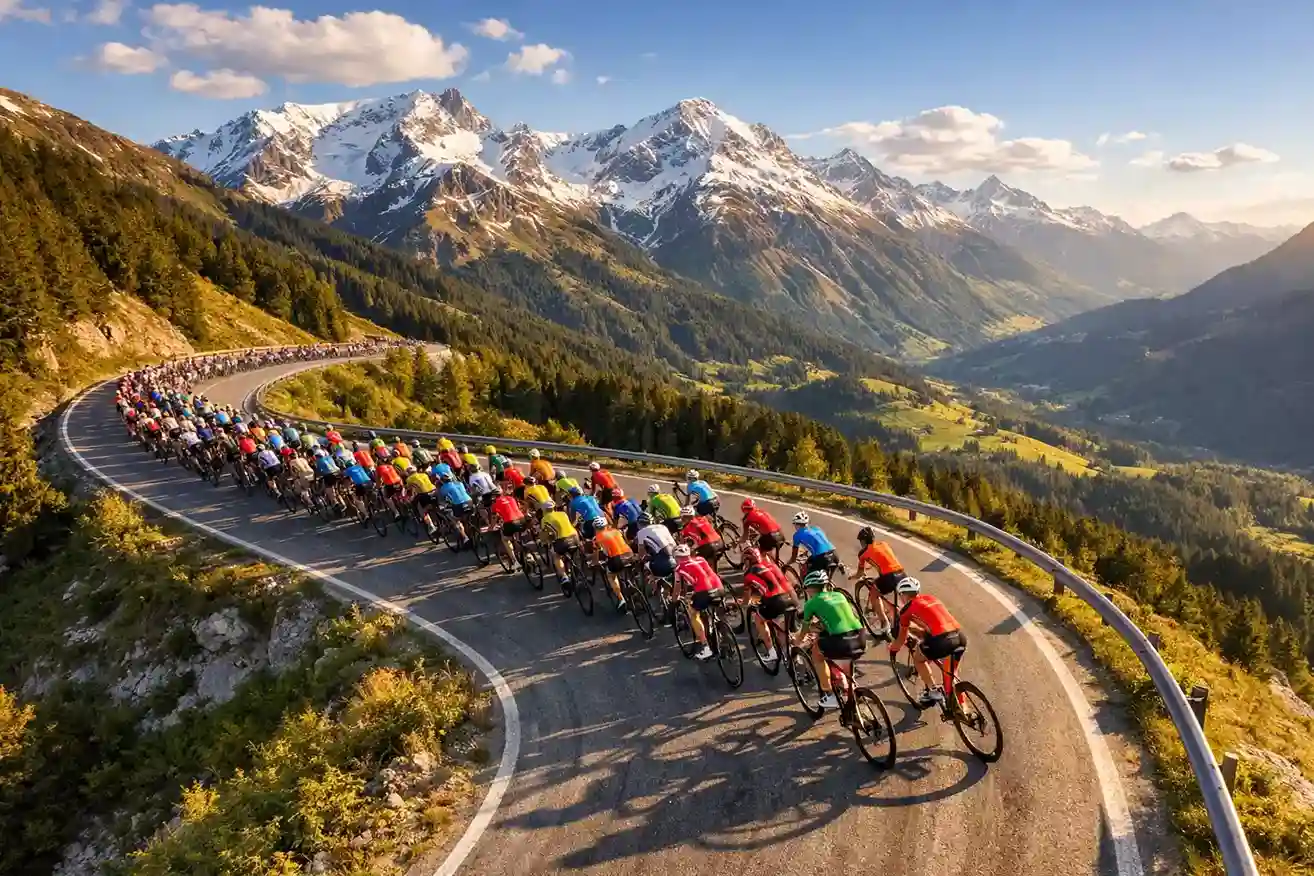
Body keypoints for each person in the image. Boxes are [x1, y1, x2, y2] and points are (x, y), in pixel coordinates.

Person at [793, 570, 866, 710]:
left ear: (809, 588)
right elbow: (836, 618)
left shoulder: (811, 603)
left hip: (840, 640)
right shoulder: (839, 595)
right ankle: (851, 692)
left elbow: (804, 631)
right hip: (860, 636)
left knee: (817, 654)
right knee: (846, 660)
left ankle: (830, 693)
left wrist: (796, 644)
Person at [889, 578, 965, 708]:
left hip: (942, 641)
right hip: (959, 636)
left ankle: (933, 690)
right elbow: (932, 622)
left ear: (903, 594)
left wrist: (893, 649)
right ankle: (962, 708)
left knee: (918, 658)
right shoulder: (931, 598)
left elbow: (901, 640)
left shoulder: (906, 610)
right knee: (951, 673)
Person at [740, 547, 796, 662]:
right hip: (787, 598)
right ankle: (791, 653)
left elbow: (747, 598)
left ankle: (771, 652)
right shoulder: (772, 566)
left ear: (747, 561)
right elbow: (786, 584)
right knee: (781, 626)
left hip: (773, 601)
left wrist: (744, 604)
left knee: (759, 619)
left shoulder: (748, 575)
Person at [850, 526, 907, 637]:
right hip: (902, 573)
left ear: (862, 541)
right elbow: (883, 559)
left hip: (888, 577)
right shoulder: (883, 544)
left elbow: (859, 574)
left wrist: (853, 577)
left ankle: (884, 623)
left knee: (874, 595)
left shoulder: (863, 553)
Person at [673, 544, 725, 661]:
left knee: (693, 613)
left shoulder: (678, 569)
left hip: (704, 593)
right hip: (719, 589)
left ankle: (705, 646)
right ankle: (721, 632)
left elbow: (677, 589)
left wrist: (674, 601)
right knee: (713, 606)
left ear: (677, 558)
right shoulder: (701, 559)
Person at [538, 499, 580, 593]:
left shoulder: (545, 519)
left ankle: (564, 576)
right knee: (573, 554)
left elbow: (545, 535)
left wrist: (543, 541)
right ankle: (576, 573)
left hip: (562, 541)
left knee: (557, 556)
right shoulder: (563, 514)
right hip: (574, 537)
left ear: (544, 510)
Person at [592, 518, 633, 610]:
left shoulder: (596, 538)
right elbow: (626, 542)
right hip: (629, 555)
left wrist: (595, 563)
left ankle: (620, 598)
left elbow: (596, 554)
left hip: (616, 559)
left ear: (595, 528)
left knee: (611, 576)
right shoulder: (616, 531)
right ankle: (633, 586)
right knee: (629, 568)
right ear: (606, 525)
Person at [786, 511, 840, 578]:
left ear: (797, 525)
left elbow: (793, 558)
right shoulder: (817, 528)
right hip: (835, 554)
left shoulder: (797, 535)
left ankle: (805, 587)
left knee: (807, 575)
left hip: (822, 558)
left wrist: (786, 564)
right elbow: (820, 543)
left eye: (794, 524)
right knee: (827, 579)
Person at [489, 488, 528, 566]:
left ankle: (515, 561)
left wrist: (491, 527)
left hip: (511, 523)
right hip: (522, 519)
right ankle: (522, 549)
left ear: (494, 496)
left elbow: (494, 517)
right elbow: (518, 507)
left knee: (505, 539)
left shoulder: (495, 503)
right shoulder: (511, 498)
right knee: (517, 534)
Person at [634, 513, 678, 579]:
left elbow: (641, 553)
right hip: (677, 557)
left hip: (664, 562)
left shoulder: (641, 532)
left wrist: (639, 558)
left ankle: (653, 582)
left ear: (639, 523)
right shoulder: (662, 526)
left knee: (647, 566)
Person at [437, 473, 475, 547]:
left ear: (442, 481)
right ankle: (474, 534)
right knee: (467, 517)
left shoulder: (443, 488)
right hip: (469, 501)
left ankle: (465, 538)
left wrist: (442, 507)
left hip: (459, 505)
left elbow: (442, 501)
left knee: (456, 520)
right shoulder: (459, 483)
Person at [405, 467, 441, 536]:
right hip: (434, 490)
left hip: (424, 494)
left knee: (422, 510)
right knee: (436, 504)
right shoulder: (424, 474)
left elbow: (409, 489)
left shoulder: (409, 479)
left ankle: (431, 526)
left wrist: (409, 497)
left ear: (408, 473)